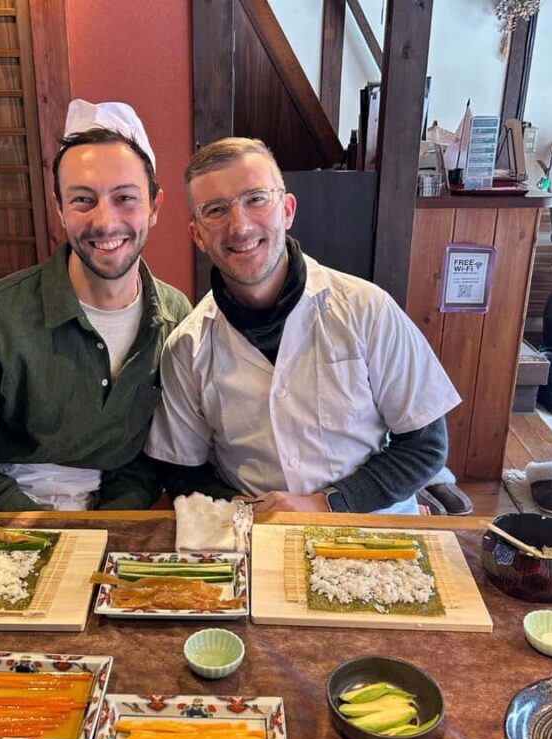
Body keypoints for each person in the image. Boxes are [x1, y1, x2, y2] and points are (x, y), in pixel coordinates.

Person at [145, 137, 460, 514]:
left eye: (256, 199)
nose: (240, 226)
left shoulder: (367, 309)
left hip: (371, 528)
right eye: (215, 210)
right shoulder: (187, 347)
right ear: (197, 234)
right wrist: (250, 510)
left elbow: (426, 445)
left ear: (287, 209)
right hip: (254, 532)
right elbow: (182, 470)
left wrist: (327, 504)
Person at [0, 100, 191, 511]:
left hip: (110, 515)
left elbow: (152, 453)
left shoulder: (175, 316)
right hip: (2, 512)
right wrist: (51, 532)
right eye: (82, 200)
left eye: (125, 198)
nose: (105, 221)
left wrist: (111, 519)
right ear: (59, 210)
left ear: (155, 207)